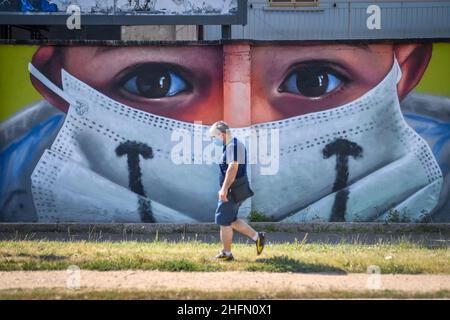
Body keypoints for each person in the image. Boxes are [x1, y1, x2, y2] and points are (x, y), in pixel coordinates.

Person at [209, 121, 265, 261]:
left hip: (232, 191)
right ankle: (258, 237)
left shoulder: (233, 146)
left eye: (213, 137)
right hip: (236, 189)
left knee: (223, 221)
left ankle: (226, 254)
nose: (213, 140)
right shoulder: (232, 145)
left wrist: (224, 189)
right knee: (232, 220)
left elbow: (232, 168)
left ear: (221, 134)